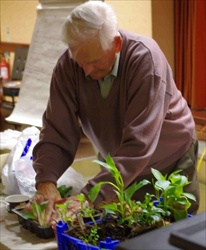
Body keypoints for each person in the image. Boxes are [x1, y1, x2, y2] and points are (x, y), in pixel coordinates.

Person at [31, 1, 200, 224]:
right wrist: (46, 180)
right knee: (121, 229)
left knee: (168, 232)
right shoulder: (69, 65)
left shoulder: (146, 60)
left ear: (117, 44)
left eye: (95, 62)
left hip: (168, 157)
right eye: (80, 62)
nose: (87, 71)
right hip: (119, 160)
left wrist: (90, 196)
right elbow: (56, 128)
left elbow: (139, 144)